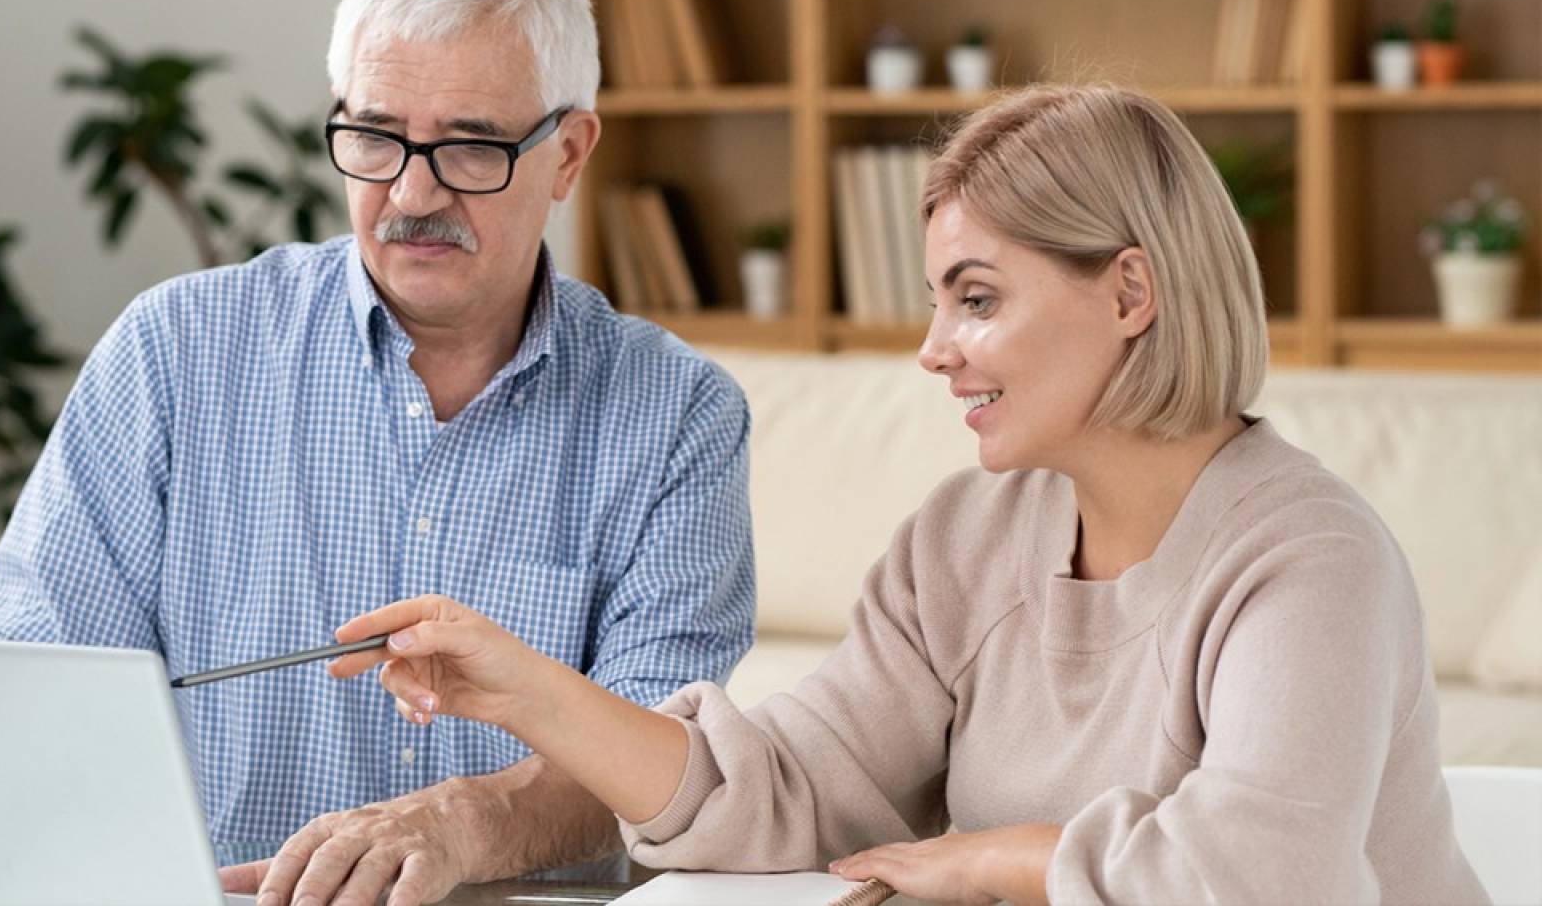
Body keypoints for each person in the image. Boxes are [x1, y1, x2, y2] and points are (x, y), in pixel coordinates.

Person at [327, 85, 1490, 904]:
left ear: (1131, 290)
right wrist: (532, 690)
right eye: (936, 303)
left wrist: (993, 856)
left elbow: (1265, 880)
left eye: (976, 299)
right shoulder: (967, 538)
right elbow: (785, 787)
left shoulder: (1307, 562)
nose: (935, 350)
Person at [0, 0, 757, 906]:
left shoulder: (680, 417)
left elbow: (660, 766)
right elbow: (42, 676)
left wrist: (469, 823)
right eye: (377, 137)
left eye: (469, 145)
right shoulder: (174, 351)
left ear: (567, 154)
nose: (412, 194)